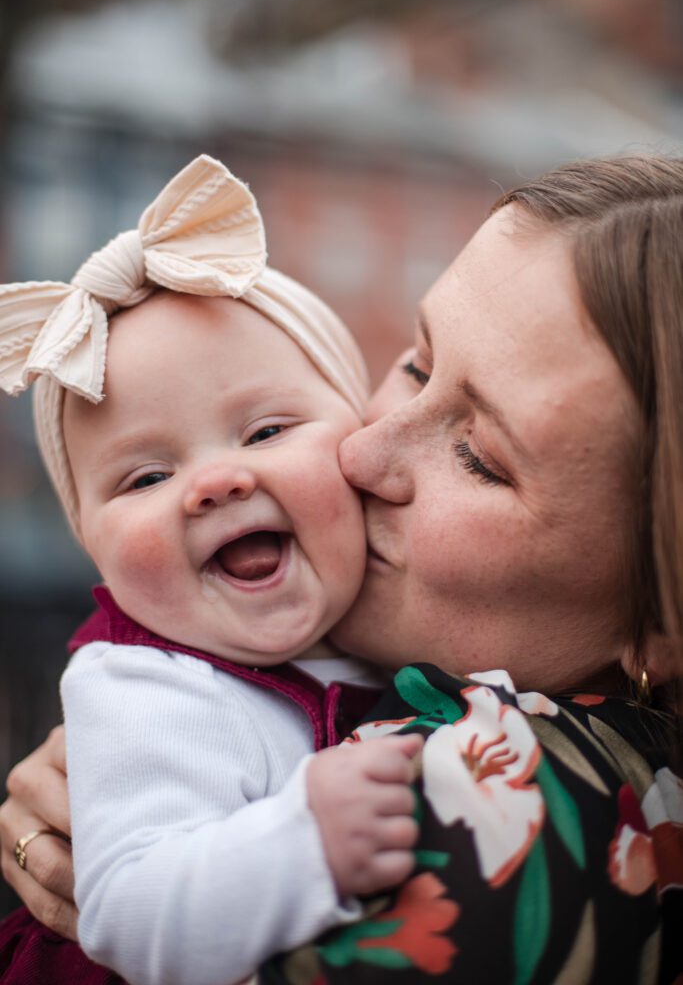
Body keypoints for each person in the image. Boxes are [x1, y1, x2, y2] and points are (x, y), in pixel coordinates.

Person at [2, 153, 683, 983]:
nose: (359, 451)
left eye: (478, 457)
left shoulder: (505, 814)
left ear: (662, 622)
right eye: (417, 364)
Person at [0, 155, 423, 985]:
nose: (215, 482)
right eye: (145, 479)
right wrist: (305, 841)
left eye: (265, 432)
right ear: (95, 550)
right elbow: (124, 910)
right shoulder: (144, 688)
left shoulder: (392, 627)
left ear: (356, 440)